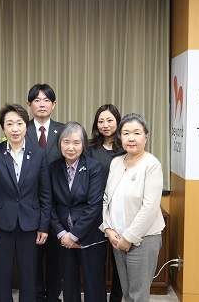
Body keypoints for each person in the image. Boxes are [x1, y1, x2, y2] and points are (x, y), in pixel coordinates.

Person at [0, 103, 52, 302]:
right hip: (1, 223)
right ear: (3, 128)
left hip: (30, 223)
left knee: (29, 274)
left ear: (26, 126)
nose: (15, 128)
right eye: (9, 124)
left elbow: (45, 194)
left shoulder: (38, 154)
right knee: (2, 274)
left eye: (19, 123)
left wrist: (43, 226)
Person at [100, 113, 165, 302]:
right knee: (127, 293)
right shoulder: (116, 162)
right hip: (117, 238)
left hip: (142, 239)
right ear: (120, 137)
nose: (131, 138)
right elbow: (106, 198)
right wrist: (108, 229)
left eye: (137, 133)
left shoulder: (151, 164)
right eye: (126, 133)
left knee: (138, 295)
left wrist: (129, 237)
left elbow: (150, 207)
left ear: (146, 136)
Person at [49, 121, 106, 302]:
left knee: (93, 283)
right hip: (63, 236)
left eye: (76, 142)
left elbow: (94, 205)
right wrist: (62, 234)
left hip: (90, 235)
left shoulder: (94, 167)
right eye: (66, 142)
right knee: (69, 283)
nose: (71, 147)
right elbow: (49, 204)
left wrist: (74, 235)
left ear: (83, 144)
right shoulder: (53, 168)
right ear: (59, 144)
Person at [25, 83, 64, 302]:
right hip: (30, 205)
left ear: (54, 104)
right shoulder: (21, 129)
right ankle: (37, 296)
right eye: (37, 100)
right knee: (32, 256)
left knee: (55, 257)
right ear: (29, 104)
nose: (42, 104)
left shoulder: (64, 130)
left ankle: (53, 297)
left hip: (58, 205)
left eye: (46, 100)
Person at [88, 104, 123, 302]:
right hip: (96, 212)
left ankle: (116, 299)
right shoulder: (90, 149)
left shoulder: (126, 148)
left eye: (109, 120)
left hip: (119, 213)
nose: (105, 125)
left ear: (117, 121)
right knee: (96, 263)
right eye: (101, 121)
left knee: (119, 264)